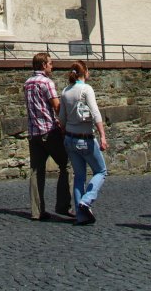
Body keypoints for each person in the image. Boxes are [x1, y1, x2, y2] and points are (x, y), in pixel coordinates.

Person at [24, 51, 72, 220]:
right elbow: (57, 106)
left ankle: (36, 211)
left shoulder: (27, 83)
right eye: (50, 63)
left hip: (33, 133)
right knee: (66, 164)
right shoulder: (46, 82)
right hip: (48, 131)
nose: (52, 66)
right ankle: (64, 205)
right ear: (43, 65)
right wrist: (65, 124)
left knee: (36, 171)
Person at [59, 60, 108, 225]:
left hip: (70, 138)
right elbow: (95, 113)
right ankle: (86, 200)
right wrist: (102, 135)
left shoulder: (65, 91)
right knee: (101, 171)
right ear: (85, 72)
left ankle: (81, 216)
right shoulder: (86, 89)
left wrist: (66, 132)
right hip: (85, 138)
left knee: (79, 176)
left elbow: (62, 119)